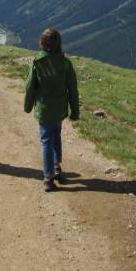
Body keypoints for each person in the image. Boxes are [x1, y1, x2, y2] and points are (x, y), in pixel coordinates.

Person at [24, 28, 80, 192]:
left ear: (42, 43)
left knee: (47, 141)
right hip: (59, 109)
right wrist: (74, 111)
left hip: (44, 109)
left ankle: (48, 178)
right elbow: (73, 89)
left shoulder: (37, 62)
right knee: (56, 136)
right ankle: (56, 168)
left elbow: (30, 87)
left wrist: (28, 106)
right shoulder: (65, 63)